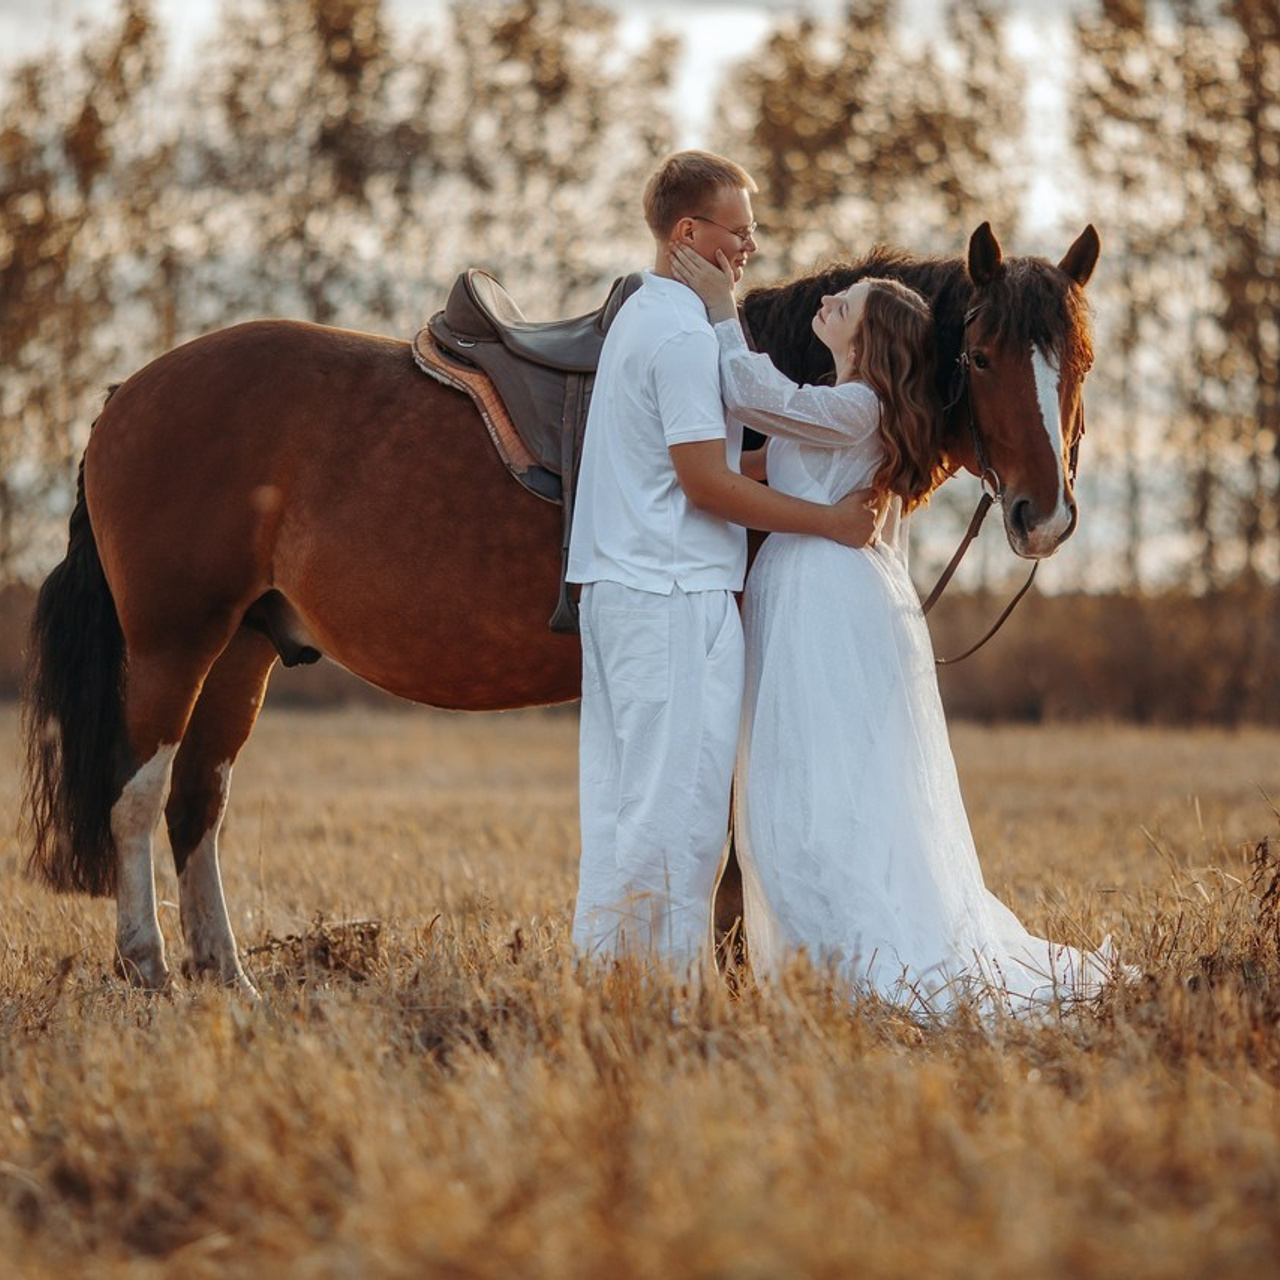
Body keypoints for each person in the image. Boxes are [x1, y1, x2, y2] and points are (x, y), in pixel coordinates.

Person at [670, 241, 1128, 1015]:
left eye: (844, 307)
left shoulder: (853, 406)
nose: (831, 301)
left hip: (818, 591)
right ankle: (796, 937)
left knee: (808, 771)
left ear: (864, 342)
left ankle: (839, 947)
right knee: (799, 770)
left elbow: (750, 394)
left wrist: (720, 312)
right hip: (811, 586)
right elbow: (767, 463)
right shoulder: (848, 409)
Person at [566, 151, 880, 969]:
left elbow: (696, 463)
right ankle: (654, 994)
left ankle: (622, 984)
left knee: (642, 805)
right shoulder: (675, 334)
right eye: (738, 232)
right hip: (669, 592)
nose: (750, 246)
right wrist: (827, 521)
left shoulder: (651, 315)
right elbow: (704, 482)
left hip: (642, 585)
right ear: (688, 232)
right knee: (678, 812)